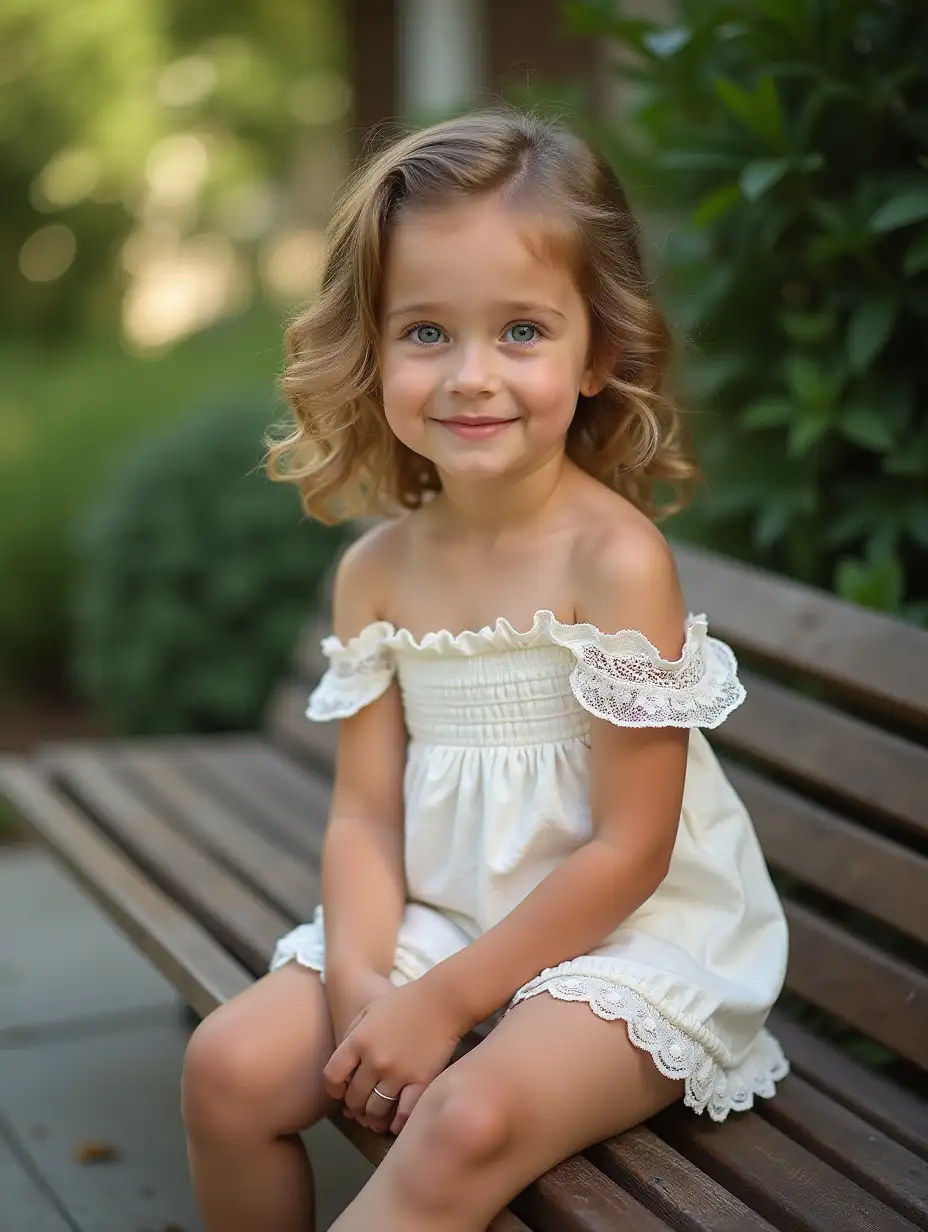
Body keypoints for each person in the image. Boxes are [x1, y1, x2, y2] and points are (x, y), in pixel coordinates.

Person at [180, 108, 789, 1232]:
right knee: (226, 1064)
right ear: (370, 344)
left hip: (628, 941)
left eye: (520, 330)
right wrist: (369, 986)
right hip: (442, 917)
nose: (470, 376)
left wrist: (443, 1006)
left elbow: (632, 850)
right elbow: (363, 818)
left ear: (599, 348)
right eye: (424, 333)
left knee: (461, 1120)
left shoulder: (614, 560)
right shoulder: (376, 572)